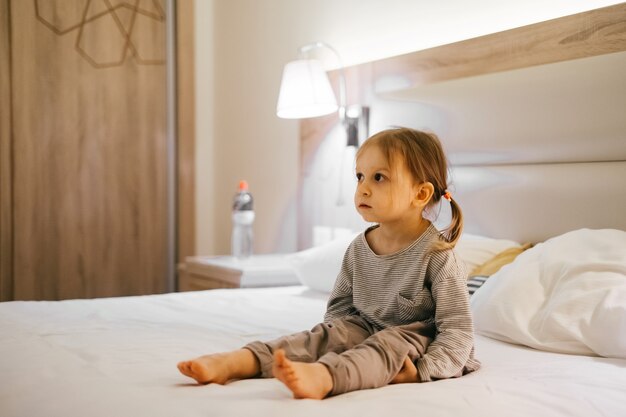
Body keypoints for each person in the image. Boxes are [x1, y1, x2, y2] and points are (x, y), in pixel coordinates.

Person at [177, 127, 480, 399]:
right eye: (360, 176)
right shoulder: (359, 248)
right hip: (364, 329)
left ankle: (326, 377)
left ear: (421, 193)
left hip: (415, 341)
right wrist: (333, 340)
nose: (363, 187)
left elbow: (457, 330)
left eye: (379, 177)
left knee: (388, 342)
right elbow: (339, 308)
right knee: (317, 337)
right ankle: (242, 360)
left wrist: (425, 370)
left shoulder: (437, 256)